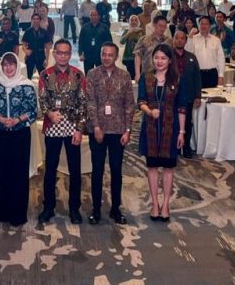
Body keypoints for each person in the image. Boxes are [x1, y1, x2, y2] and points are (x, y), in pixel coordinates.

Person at [137, 44, 190, 223]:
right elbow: (141, 101)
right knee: (152, 167)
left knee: (168, 168)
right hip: (150, 128)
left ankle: (166, 204)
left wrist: (181, 132)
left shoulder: (177, 79)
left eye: (163, 58)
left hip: (171, 128)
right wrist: (149, 111)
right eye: (156, 57)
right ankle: (154, 203)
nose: (159, 61)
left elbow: (182, 107)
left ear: (169, 60)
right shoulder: (146, 77)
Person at [37, 39, 87, 225]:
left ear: (70, 54)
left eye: (66, 53)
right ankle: (48, 207)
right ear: (54, 53)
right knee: (50, 168)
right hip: (53, 125)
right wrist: (49, 113)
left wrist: (79, 129)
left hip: (72, 126)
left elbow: (83, 103)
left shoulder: (78, 75)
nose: (63, 56)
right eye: (59, 53)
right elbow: (42, 100)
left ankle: (74, 208)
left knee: (75, 170)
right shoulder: (45, 75)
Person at [84, 42, 134, 225]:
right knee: (97, 170)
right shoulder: (92, 74)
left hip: (118, 130)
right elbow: (90, 102)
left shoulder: (124, 75)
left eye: (110, 55)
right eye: (103, 54)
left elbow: (129, 104)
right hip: (98, 130)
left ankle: (115, 209)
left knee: (116, 170)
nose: (106, 58)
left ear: (116, 57)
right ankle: (96, 210)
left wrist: (128, 130)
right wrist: (96, 126)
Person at [0, 53, 38, 226]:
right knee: (4, 171)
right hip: (2, 134)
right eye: (5, 65)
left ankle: (18, 214)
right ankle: (5, 211)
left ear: (17, 66)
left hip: (20, 134)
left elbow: (33, 110)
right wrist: (1, 119)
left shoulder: (26, 85)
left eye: (11, 64)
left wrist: (17, 120)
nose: (8, 68)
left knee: (19, 172)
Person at [171, 31, 201, 157]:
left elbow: (197, 77)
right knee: (173, 122)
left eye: (182, 38)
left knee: (187, 123)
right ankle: (174, 148)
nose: (179, 40)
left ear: (185, 40)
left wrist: (198, 96)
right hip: (171, 96)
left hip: (188, 95)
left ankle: (186, 147)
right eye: (177, 38)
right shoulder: (168, 56)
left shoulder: (191, 57)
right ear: (173, 40)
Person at [188, 15, 225, 89]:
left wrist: (220, 75)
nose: (204, 26)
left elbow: (221, 58)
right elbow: (188, 54)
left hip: (212, 73)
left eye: (206, 24)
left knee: (213, 95)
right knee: (197, 95)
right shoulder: (193, 39)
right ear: (198, 25)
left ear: (210, 26)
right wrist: (190, 38)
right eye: (202, 24)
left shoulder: (216, 40)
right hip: (197, 73)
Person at [134, 16, 173, 82]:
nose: (162, 29)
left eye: (164, 27)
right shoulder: (144, 39)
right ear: (154, 25)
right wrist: (137, 74)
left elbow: (172, 58)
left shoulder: (168, 41)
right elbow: (137, 56)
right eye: (160, 26)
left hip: (165, 76)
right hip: (147, 75)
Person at [79, 9, 113, 74]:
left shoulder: (104, 27)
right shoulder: (84, 27)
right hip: (88, 55)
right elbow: (81, 41)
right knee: (88, 74)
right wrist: (80, 54)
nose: (93, 17)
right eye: (91, 15)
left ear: (99, 16)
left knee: (102, 74)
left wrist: (109, 54)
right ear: (89, 16)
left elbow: (109, 42)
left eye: (95, 15)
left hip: (100, 55)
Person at [22, 14, 53, 79]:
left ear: (40, 20)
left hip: (40, 54)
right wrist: (26, 51)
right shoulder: (28, 31)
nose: (35, 20)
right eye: (34, 19)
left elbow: (47, 47)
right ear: (31, 20)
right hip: (30, 55)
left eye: (37, 19)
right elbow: (24, 43)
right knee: (28, 75)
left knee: (43, 76)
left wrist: (46, 59)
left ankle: (44, 85)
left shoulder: (44, 32)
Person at [120, 15, 144, 80]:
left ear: (138, 22)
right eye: (132, 20)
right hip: (129, 57)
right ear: (129, 22)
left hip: (139, 57)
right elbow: (121, 41)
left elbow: (143, 43)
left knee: (138, 76)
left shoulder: (141, 31)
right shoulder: (127, 30)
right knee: (130, 76)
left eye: (135, 20)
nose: (134, 22)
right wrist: (129, 33)